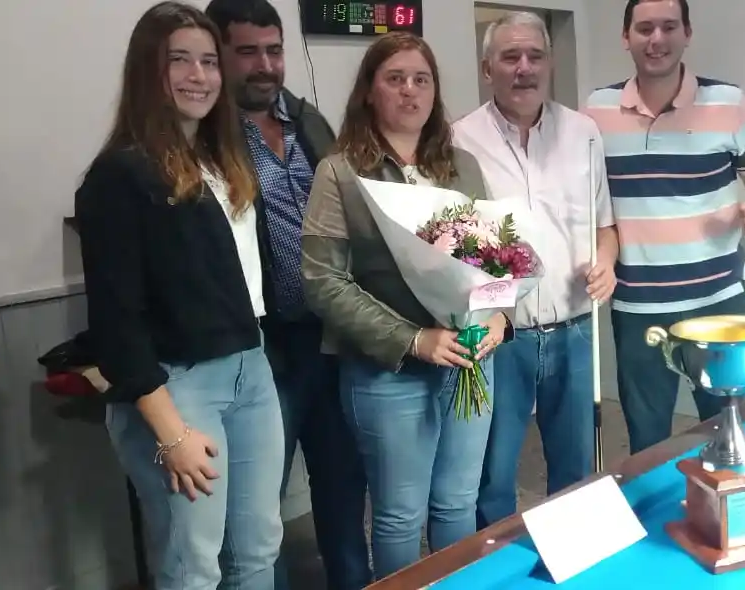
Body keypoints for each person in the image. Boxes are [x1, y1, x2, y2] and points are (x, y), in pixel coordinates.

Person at [74, 2, 284, 588]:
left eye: (210, 62)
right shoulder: (120, 174)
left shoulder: (223, 160)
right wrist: (170, 432)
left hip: (251, 369)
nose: (200, 76)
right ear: (149, 71)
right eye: (181, 62)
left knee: (260, 549)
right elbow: (116, 322)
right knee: (193, 566)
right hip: (178, 386)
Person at [299, 32, 508, 580]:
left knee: (457, 504)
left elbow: (495, 263)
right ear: (370, 91)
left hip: (469, 361)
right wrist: (413, 339)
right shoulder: (340, 173)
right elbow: (323, 283)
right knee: (398, 516)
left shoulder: (461, 166)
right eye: (395, 79)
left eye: (422, 80)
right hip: (386, 372)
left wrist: (497, 318)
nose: (410, 91)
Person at [202, 2, 370, 588]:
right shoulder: (206, 134)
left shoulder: (307, 120)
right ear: (218, 53)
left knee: (345, 484)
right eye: (247, 51)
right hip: (263, 345)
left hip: (331, 336)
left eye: (273, 50)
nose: (265, 65)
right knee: (258, 505)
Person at [583, 0, 745, 454]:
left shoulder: (728, 103)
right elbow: (596, 206)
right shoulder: (597, 110)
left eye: (669, 27)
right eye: (645, 28)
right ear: (625, 36)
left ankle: (719, 518)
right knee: (647, 440)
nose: (657, 39)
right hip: (637, 306)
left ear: (687, 33)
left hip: (719, 300)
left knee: (726, 431)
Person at [452, 11, 617, 528]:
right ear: (486, 69)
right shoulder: (458, 138)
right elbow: (453, 247)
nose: (525, 68)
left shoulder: (584, 132)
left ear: (549, 63)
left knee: (575, 473)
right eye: (510, 57)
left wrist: (607, 263)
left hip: (573, 331)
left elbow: (605, 225)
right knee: (492, 477)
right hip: (498, 338)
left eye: (536, 56)